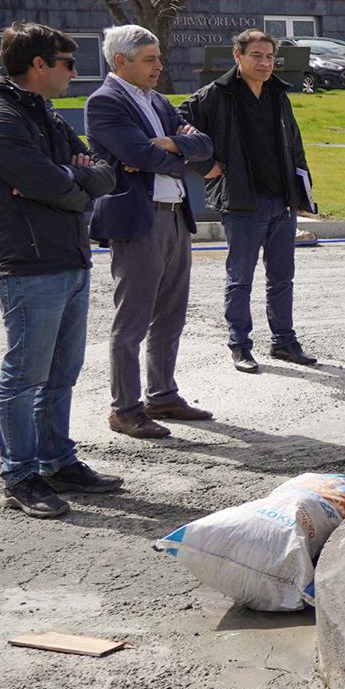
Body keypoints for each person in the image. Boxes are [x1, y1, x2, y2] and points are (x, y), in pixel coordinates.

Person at [0, 22, 122, 518]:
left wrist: (74, 178)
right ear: (38, 65)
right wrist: (75, 183)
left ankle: (57, 461)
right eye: (68, 64)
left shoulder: (44, 114)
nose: (75, 74)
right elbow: (46, 181)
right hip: (30, 264)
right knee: (26, 374)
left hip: (70, 257)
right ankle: (20, 475)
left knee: (62, 373)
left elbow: (101, 171)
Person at [86, 25, 216, 440]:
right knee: (133, 320)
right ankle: (125, 409)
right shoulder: (105, 102)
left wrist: (169, 148)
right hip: (139, 220)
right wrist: (168, 150)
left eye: (158, 58)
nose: (159, 66)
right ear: (121, 61)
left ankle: (162, 394)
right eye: (150, 59)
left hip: (176, 215)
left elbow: (206, 146)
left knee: (171, 315)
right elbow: (138, 153)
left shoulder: (157, 101)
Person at [184, 29, 316, 372]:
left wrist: (303, 193)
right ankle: (240, 345)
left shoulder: (278, 94)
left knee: (282, 277)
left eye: (269, 57)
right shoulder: (216, 95)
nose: (264, 63)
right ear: (237, 57)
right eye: (256, 55)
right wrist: (204, 165)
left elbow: (296, 145)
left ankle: (284, 342)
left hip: (281, 202)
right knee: (240, 279)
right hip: (242, 203)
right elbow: (178, 124)